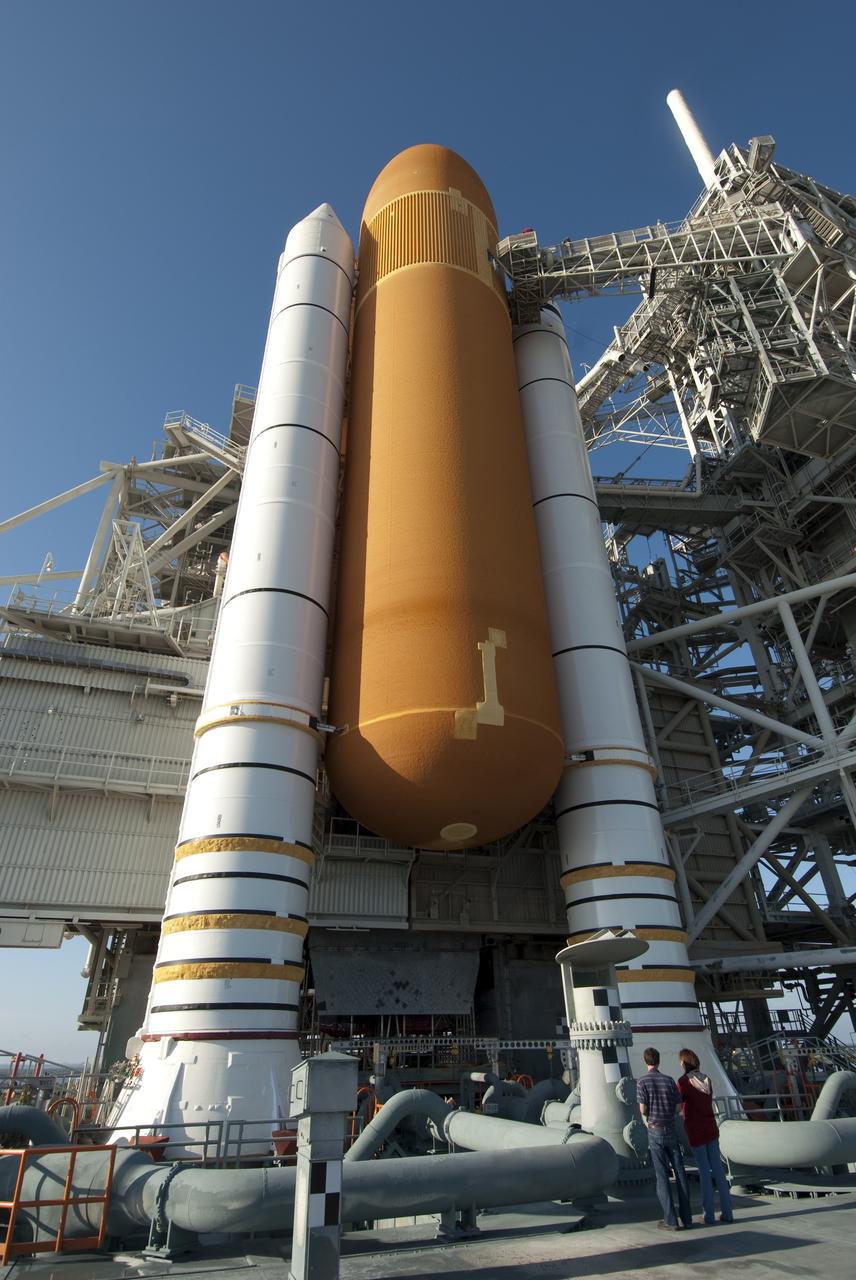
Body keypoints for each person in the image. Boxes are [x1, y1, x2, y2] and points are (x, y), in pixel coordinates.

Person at [636, 1046, 692, 1231]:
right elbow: (678, 1107)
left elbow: (643, 1109)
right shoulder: (669, 1081)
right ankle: (687, 1217)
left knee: (662, 1176)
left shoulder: (642, 1082)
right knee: (680, 1171)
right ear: (659, 1060)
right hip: (671, 1128)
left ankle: (670, 1219)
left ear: (646, 1061)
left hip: (654, 1130)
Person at [676, 1048, 734, 1225]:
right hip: (711, 1127)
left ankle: (708, 1214)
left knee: (704, 1171)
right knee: (718, 1170)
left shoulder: (683, 1082)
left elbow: (679, 1107)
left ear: (683, 1063)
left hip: (695, 1129)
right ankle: (728, 1212)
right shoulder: (707, 1079)